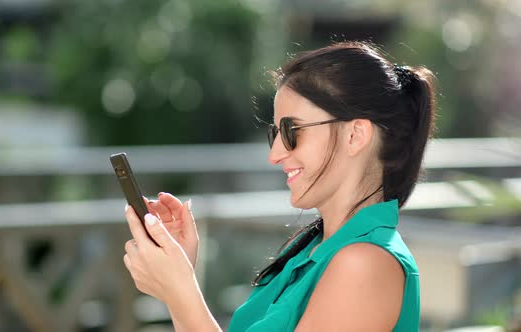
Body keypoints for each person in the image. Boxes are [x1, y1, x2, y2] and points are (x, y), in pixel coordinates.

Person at [122, 41, 436, 331]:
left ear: (355, 136)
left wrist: (180, 292)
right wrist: (180, 278)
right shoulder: (309, 250)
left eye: (291, 130)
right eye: (275, 134)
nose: (275, 154)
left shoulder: (366, 264)